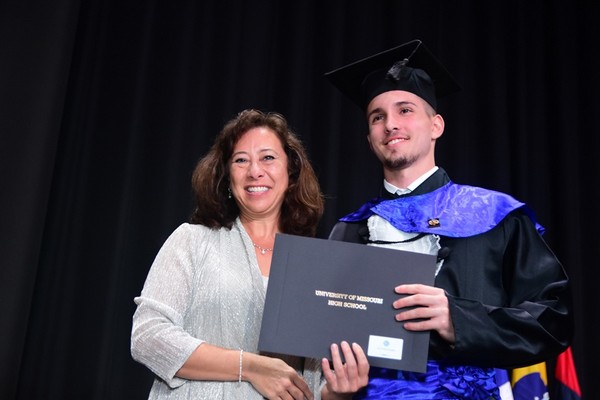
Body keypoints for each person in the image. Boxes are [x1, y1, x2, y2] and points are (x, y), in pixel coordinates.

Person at [324, 40, 573, 399]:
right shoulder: (348, 231)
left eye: (405, 110)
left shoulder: (495, 215)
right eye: (377, 117)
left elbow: (555, 319)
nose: (390, 124)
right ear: (369, 138)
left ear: (436, 125)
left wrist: (458, 319)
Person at [131, 109, 369, 399]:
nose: (255, 171)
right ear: (227, 177)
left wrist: (338, 391)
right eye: (241, 160)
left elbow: (313, 383)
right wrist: (251, 367)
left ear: (291, 172)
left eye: (268, 158)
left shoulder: (314, 265)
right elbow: (147, 336)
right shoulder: (192, 241)